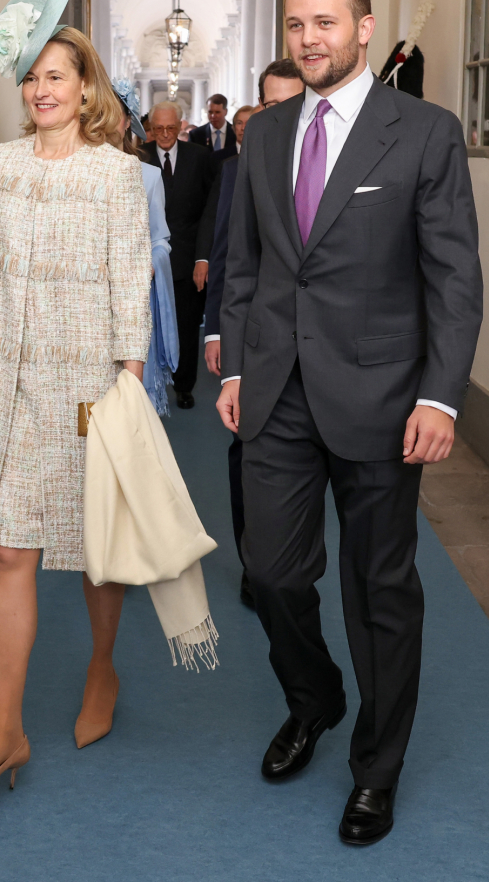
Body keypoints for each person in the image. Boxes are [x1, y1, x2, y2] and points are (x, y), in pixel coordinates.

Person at [217, 0, 482, 845]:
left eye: (325, 22)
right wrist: (235, 370)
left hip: (383, 398)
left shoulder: (425, 133)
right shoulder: (264, 135)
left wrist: (441, 397)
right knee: (270, 571)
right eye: (297, 24)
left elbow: (453, 278)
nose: (309, 39)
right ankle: (316, 698)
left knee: (380, 591)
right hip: (278, 394)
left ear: (365, 29)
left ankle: (377, 768)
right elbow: (249, 264)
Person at [0, 0, 153, 796]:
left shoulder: (116, 173)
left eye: (55, 76)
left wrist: (130, 383)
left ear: (84, 85)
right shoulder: (0, 166)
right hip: (11, 385)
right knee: (11, 549)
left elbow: (130, 280)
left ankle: (103, 667)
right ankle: (5, 733)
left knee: (97, 547)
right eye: (30, 79)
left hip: (90, 386)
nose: (40, 91)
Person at [205, 63, 304, 607]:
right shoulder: (239, 168)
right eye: (270, 105)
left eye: (292, 102)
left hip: (325, 352)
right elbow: (229, 255)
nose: (280, 114)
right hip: (259, 342)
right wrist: (216, 332)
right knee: (246, 455)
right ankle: (254, 562)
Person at [145, 101, 219, 409]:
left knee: (187, 326)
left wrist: (203, 258)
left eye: (171, 128)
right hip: (148, 261)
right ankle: (149, 385)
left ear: (180, 126)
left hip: (189, 261)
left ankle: (184, 385)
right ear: (151, 129)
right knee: (148, 328)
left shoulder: (200, 157)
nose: (165, 134)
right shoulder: (137, 156)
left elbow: (210, 211)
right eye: (158, 128)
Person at [112, 78, 179, 415]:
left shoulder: (148, 176)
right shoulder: (70, 171)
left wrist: (150, 263)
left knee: (129, 404)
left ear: (128, 122)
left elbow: (159, 238)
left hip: (131, 301)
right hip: (82, 301)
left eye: (113, 113)